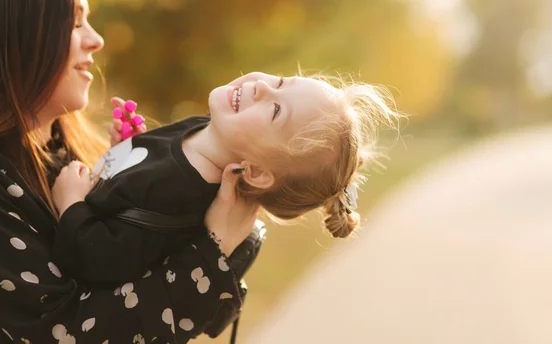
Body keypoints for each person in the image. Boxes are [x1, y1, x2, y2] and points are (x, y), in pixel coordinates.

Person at [0, 0, 258, 343]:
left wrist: (144, 180)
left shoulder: (61, 151)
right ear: (15, 33)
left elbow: (121, 269)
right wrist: (215, 247)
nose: (95, 40)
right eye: (75, 23)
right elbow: (71, 331)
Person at [50, 71, 400, 283]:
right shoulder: (203, 131)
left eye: (276, 110)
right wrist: (128, 150)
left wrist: (72, 203)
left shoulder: (180, 196)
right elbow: (142, 178)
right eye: (280, 80)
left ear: (258, 171)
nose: (262, 87)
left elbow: (99, 259)